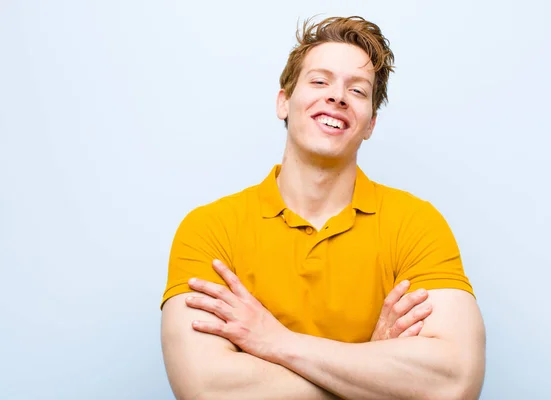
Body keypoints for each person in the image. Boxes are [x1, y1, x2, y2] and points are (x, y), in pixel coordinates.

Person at [160, 15, 486, 400]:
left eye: (358, 91)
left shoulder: (416, 224)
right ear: (284, 101)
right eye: (319, 81)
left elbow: (454, 383)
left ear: (370, 124)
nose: (337, 96)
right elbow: (205, 388)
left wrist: (275, 342)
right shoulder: (210, 228)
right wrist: (372, 366)